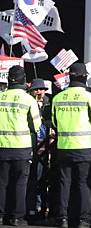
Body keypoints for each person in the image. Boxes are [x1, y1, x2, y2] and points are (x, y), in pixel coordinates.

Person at [51, 62, 91, 228]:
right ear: (85, 77)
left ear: (69, 76)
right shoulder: (90, 97)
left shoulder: (58, 97)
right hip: (84, 147)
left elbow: (54, 122)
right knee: (83, 183)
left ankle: (62, 218)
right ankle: (83, 220)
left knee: (64, 183)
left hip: (63, 147)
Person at [0, 66, 41, 226]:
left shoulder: (1, 97)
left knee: (2, 182)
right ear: (24, 79)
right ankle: (17, 217)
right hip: (21, 147)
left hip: (2, 146)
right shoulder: (28, 99)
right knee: (20, 183)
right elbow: (36, 126)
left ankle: (1, 215)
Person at [26, 78, 50, 221]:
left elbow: (51, 120)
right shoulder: (28, 102)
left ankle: (40, 207)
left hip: (44, 146)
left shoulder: (48, 104)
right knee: (29, 179)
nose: (39, 92)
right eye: (36, 89)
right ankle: (30, 207)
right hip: (29, 144)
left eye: (41, 89)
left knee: (41, 178)